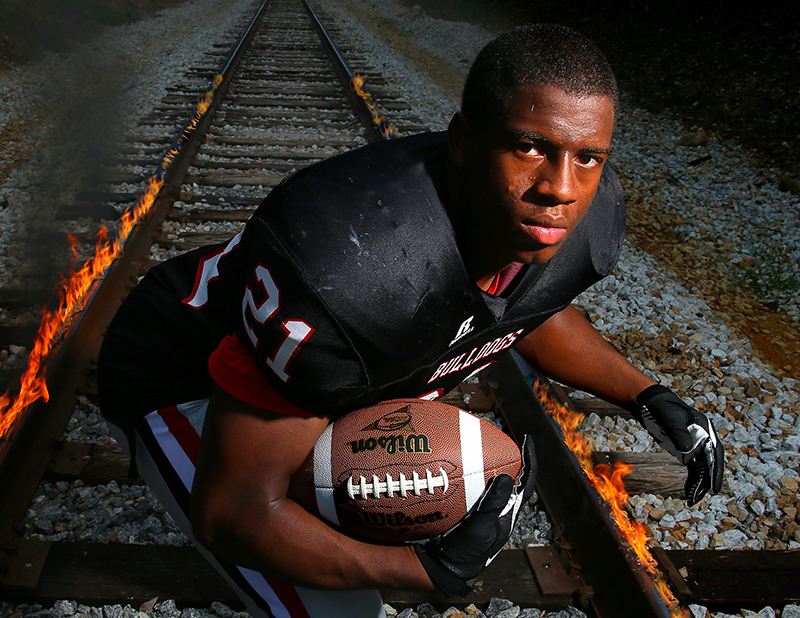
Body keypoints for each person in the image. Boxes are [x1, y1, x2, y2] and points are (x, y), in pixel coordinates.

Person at [98, 23, 723, 618]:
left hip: (328, 354)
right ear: (462, 140)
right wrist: (421, 571)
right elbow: (234, 513)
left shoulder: (578, 209)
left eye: (588, 157)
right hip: (186, 375)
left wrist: (647, 394)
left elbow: (534, 305)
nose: (561, 187)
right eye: (529, 146)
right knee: (341, 609)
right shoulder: (352, 280)